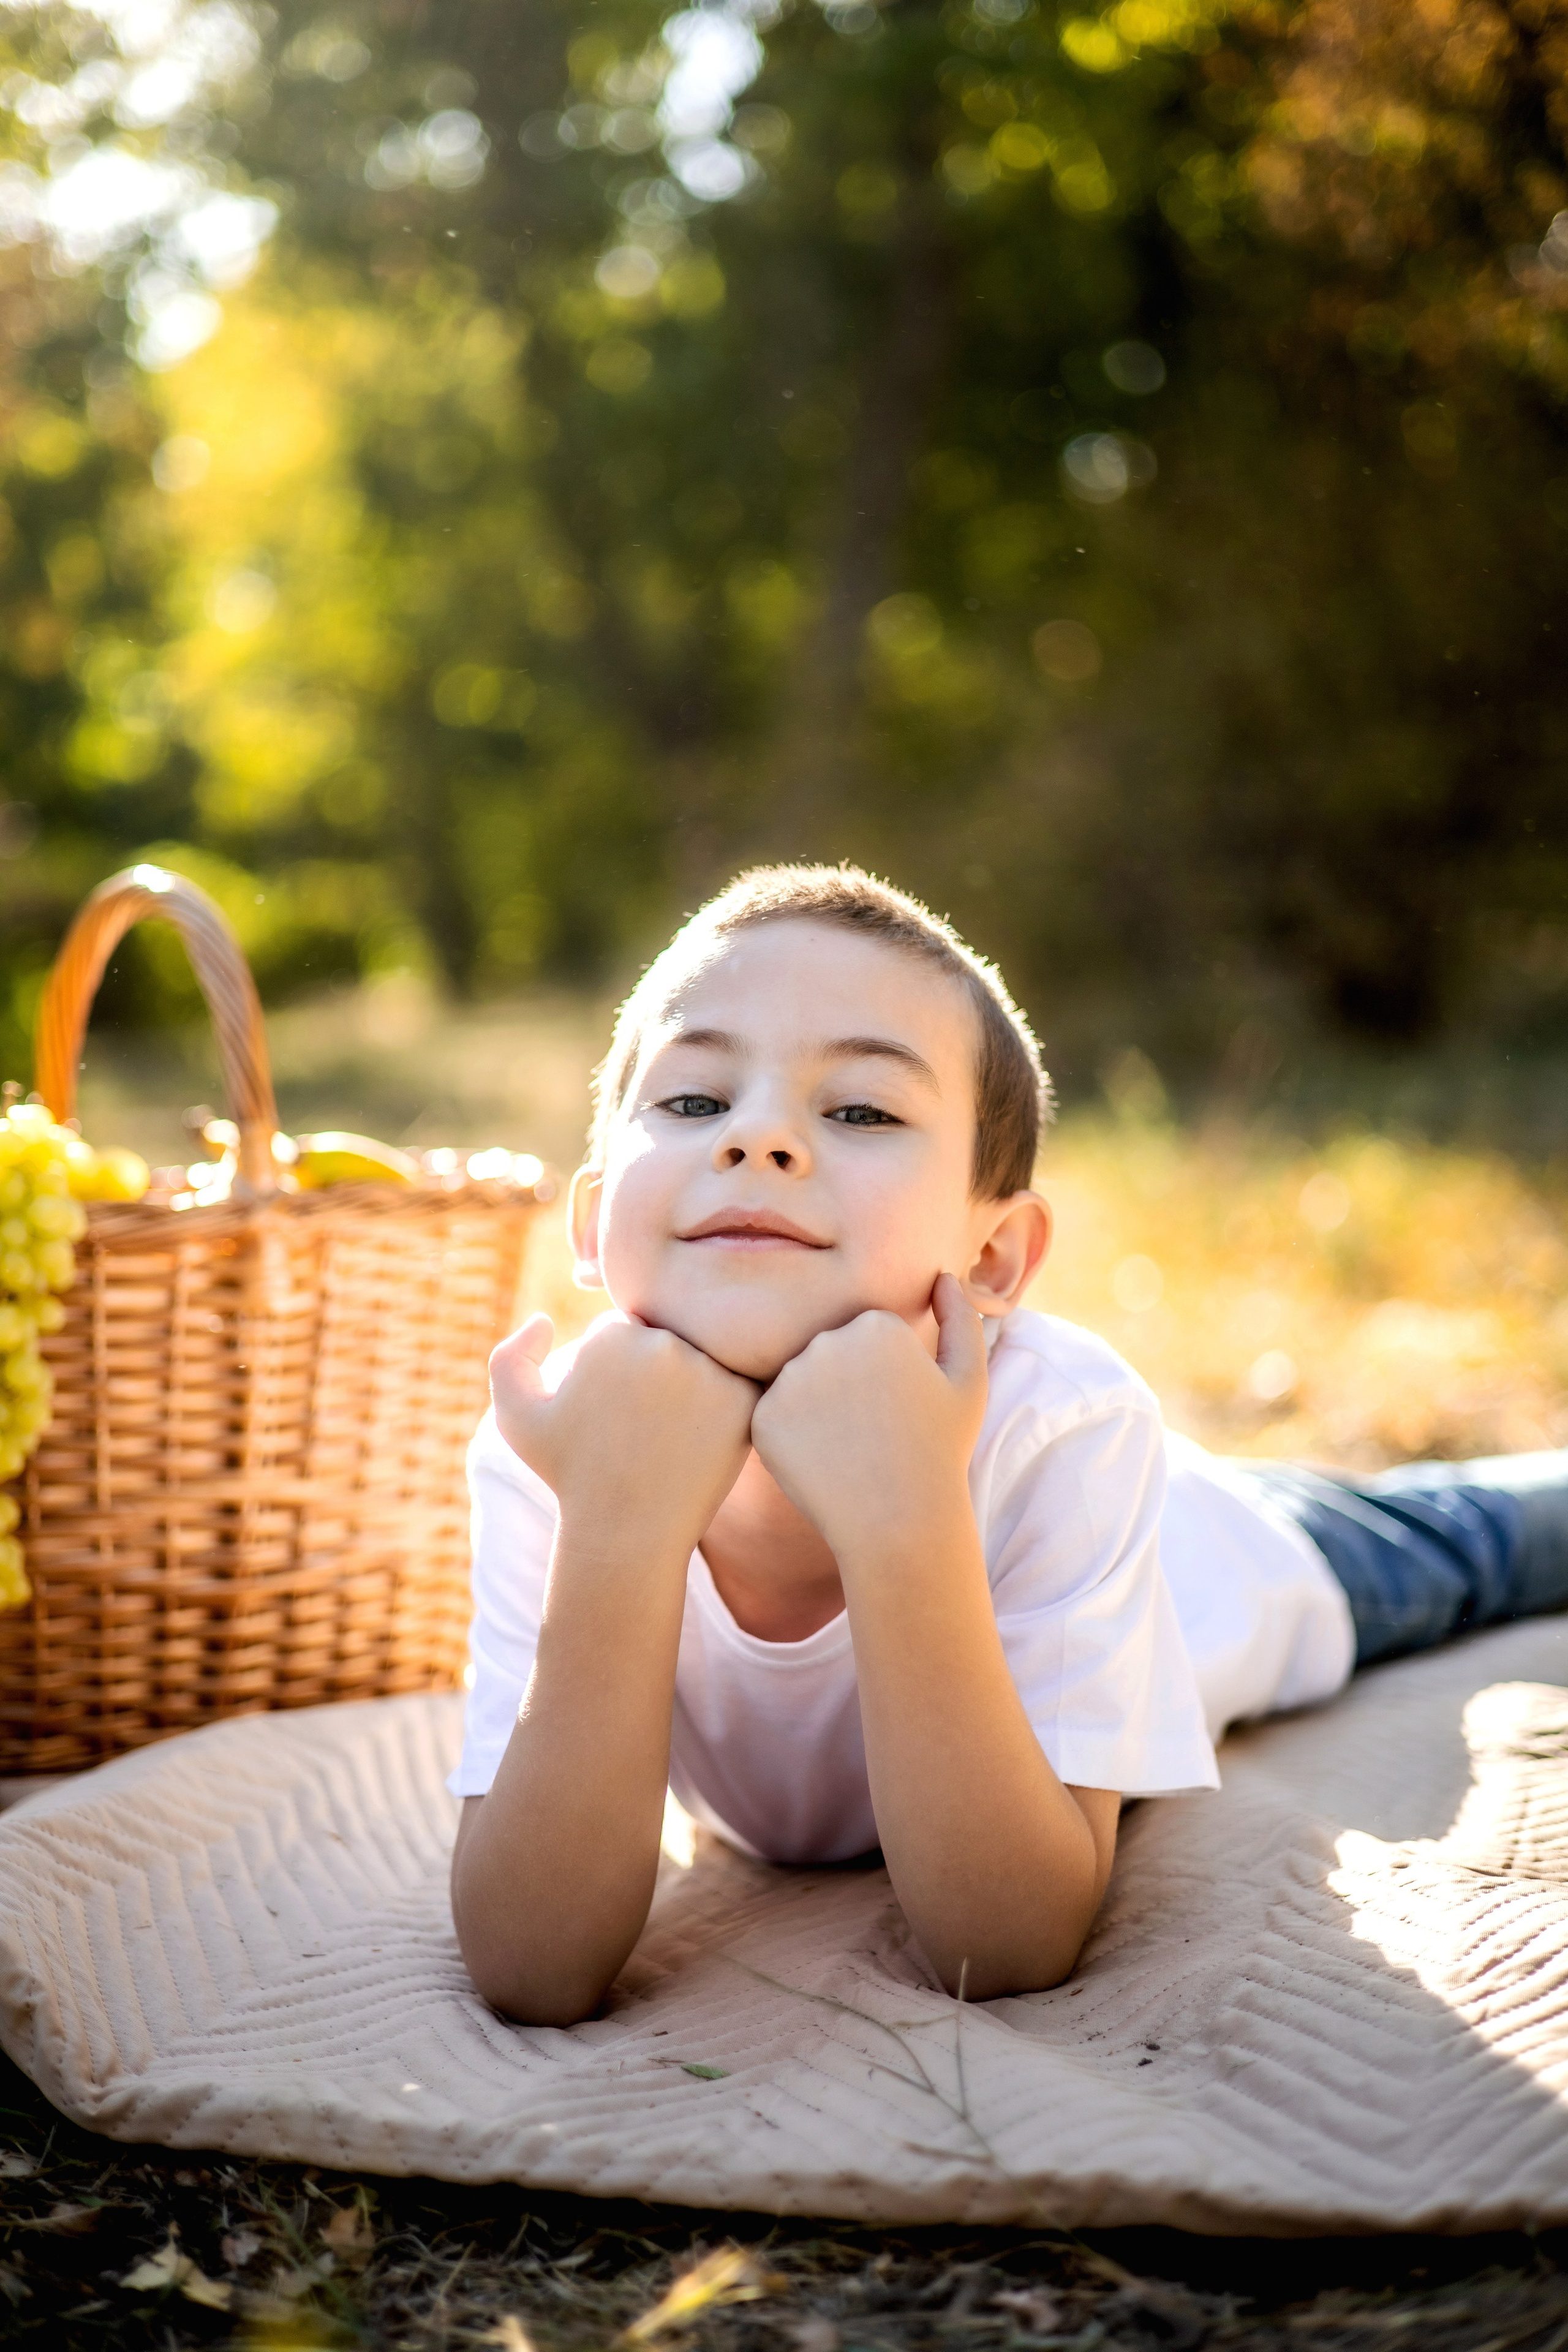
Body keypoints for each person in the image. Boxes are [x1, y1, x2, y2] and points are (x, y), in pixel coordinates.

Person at [448, 865, 1568, 2026]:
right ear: (591, 1223)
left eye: (862, 1111)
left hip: (1238, 1555)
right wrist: (619, 1530)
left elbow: (1009, 1944)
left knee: (1487, 1540)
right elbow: (531, 1966)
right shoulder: (555, 1436)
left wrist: (904, 1516)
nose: (762, 1137)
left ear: (992, 1262)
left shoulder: (1065, 1423)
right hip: (1125, 1524)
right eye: (694, 1102)